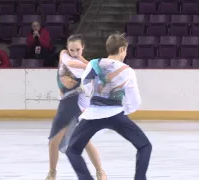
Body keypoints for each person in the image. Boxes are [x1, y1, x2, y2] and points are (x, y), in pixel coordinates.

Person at [65, 33, 152, 180]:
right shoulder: (127, 71)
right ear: (122, 49)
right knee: (144, 146)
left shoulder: (93, 64)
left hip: (92, 114)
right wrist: (125, 111)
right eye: (125, 50)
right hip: (116, 114)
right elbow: (134, 101)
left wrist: (92, 104)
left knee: (72, 150)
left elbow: (85, 87)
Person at [46, 34, 106, 180]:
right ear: (67, 48)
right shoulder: (65, 55)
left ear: (83, 48)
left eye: (78, 50)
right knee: (54, 141)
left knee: (81, 140)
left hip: (76, 105)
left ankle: (100, 171)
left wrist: (89, 66)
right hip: (65, 104)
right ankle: (52, 173)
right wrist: (89, 65)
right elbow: (69, 63)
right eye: (71, 49)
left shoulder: (86, 70)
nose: (74, 53)